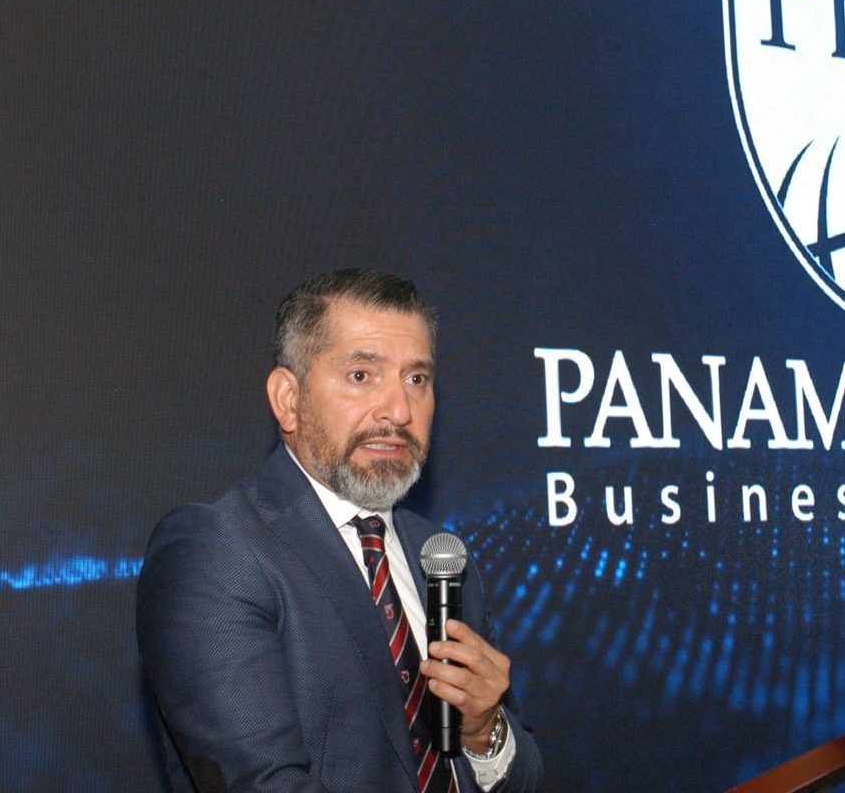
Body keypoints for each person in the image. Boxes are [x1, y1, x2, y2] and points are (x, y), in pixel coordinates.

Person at [137, 269, 543, 793]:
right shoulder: (216, 551)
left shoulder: (440, 556)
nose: (399, 410)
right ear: (288, 399)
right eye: (361, 375)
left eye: (416, 380)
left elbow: (526, 775)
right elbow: (264, 784)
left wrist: (485, 732)